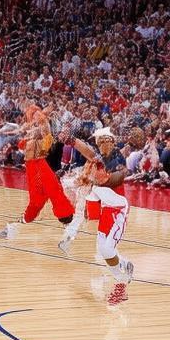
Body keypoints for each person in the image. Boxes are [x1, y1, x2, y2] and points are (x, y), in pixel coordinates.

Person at [63, 129, 134, 304]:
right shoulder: (96, 163)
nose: (104, 144)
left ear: (113, 143)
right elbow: (88, 152)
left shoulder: (116, 161)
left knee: (107, 249)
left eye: (107, 141)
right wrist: (72, 141)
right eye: (101, 142)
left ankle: (122, 284)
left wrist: (96, 180)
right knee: (103, 250)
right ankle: (124, 264)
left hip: (119, 210)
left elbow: (116, 178)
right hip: (106, 210)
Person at [0, 122, 74, 240]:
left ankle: (69, 228)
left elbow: (45, 130)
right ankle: (12, 228)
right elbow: (22, 143)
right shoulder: (31, 140)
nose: (33, 129)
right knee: (36, 204)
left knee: (54, 197)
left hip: (41, 169)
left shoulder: (45, 140)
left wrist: (40, 122)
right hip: (34, 170)